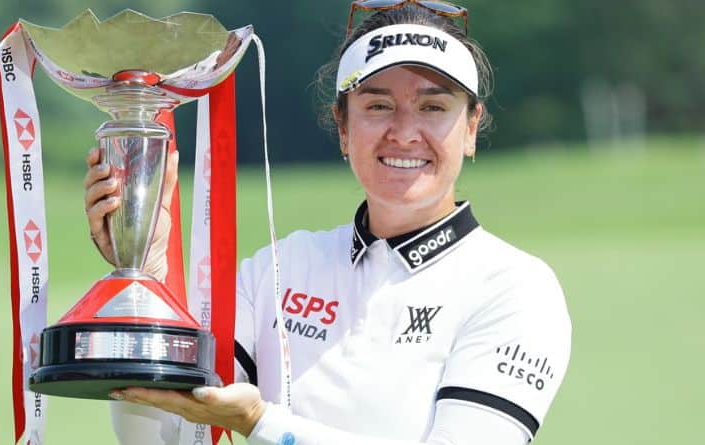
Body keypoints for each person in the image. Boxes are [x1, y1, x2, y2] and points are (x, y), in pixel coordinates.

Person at [84, 3, 571, 444]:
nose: (404, 132)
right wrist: (145, 277)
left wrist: (261, 423)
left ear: (469, 128)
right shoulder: (279, 267)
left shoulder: (516, 288)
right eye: (378, 105)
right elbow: (160, 434)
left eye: (433, 107)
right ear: (342, 127)